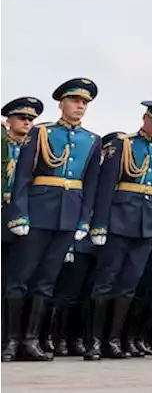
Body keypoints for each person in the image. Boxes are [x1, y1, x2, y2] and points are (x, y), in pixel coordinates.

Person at [4, 78, 102, 362]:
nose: (80, 106)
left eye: (84, 103)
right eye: (75, 101)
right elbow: (23, 176)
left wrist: (84, 221)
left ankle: (31, 340)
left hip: (67, 218)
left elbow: (91, 185)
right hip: (37, 213)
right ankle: (10, 341)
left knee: (46, 282)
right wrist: (19, 213)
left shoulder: (92, 140)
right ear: (62, 103)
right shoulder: (42, 133)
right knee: (19, 278)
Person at [86, 101, 152, 359]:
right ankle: (94, 340)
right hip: (118, 219)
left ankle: (114, 339)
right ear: (145, 118)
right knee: (105, 281)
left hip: (146, 223)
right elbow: (106, 186)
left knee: (129, 284)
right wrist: (100, 224)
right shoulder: (123, 144)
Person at [0, 97, 42, 361]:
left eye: (30, 119)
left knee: (14, 280)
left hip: (20, 223)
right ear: (8, 121)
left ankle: (11, 338)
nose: (26, 122)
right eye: (21, 118)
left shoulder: (34, 151)